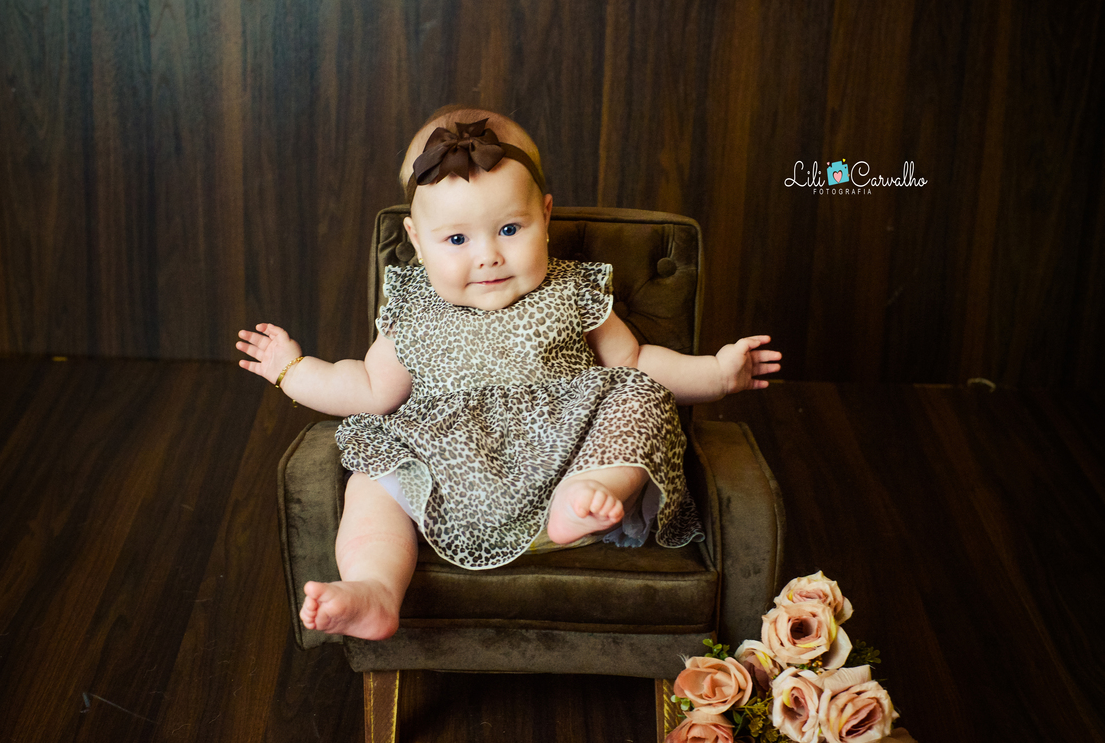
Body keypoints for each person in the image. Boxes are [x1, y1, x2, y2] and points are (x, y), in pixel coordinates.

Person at [235, 106, 781, 641]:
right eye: (457, 240)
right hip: (449, 475)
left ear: (545, 216)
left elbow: (636, 362)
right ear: (417, 241)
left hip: (569, 463)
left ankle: (589, 491)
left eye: (509, 228)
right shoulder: (414, 309)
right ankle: (375, 586)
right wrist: (292, 369)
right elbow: (369, 390)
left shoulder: (573, 288)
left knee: (639, 394)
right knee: (373, 483)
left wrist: (717, 373)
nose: (488, 256)